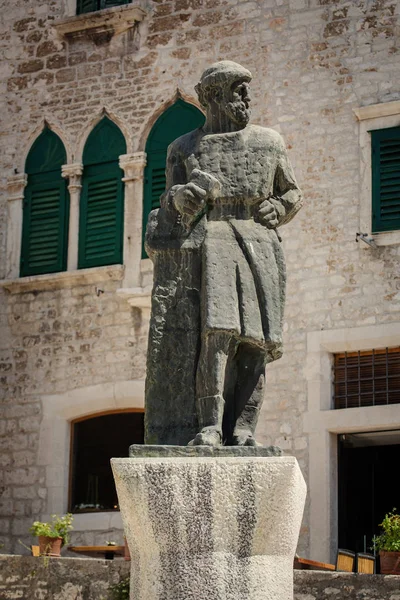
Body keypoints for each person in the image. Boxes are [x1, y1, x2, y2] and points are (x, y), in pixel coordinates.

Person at [158, 61, 303, 446]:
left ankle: (243, 429)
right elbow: (167, 200)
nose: (246, 98)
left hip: (261, 243)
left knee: (256, 342)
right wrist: (181, 198)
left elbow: (291, 191)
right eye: (238, 90)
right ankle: (208, 426)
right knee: (217, 335)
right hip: (213, 241)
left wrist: (281, 207)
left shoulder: (269, 141)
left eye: (246, 90)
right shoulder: (183, 148)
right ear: (211, 97)